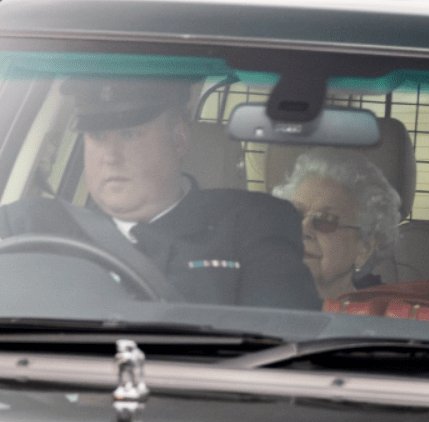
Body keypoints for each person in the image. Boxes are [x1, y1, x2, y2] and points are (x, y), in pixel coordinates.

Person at [0, 76, 321, 310]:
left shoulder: (252, 226)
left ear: (179, 140)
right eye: (97, 135)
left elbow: (279, 344)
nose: (110, 155)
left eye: (129, 134)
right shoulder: (27, 227)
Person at [272, 148, 401, 300]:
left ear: (364, 249)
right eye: (295, 214)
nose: (303, 229)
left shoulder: (380, 319)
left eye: (326, 220)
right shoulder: (253, 306)